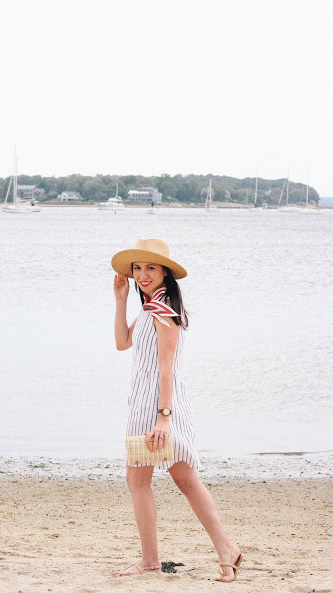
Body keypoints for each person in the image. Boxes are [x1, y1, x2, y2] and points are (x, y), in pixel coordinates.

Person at [111, 238, 242, 583]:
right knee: (182, 480)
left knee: (145, 480)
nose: (142, 274)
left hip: (157, 407)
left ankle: (154, 561)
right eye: (137, 268)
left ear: (166, 272)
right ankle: (224, 551)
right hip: (147, 403)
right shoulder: (151, 307)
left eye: (150, 267)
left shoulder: (164, 310)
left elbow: (166, 367)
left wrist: (162, 418)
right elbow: (122, 343)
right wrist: (121, 299)